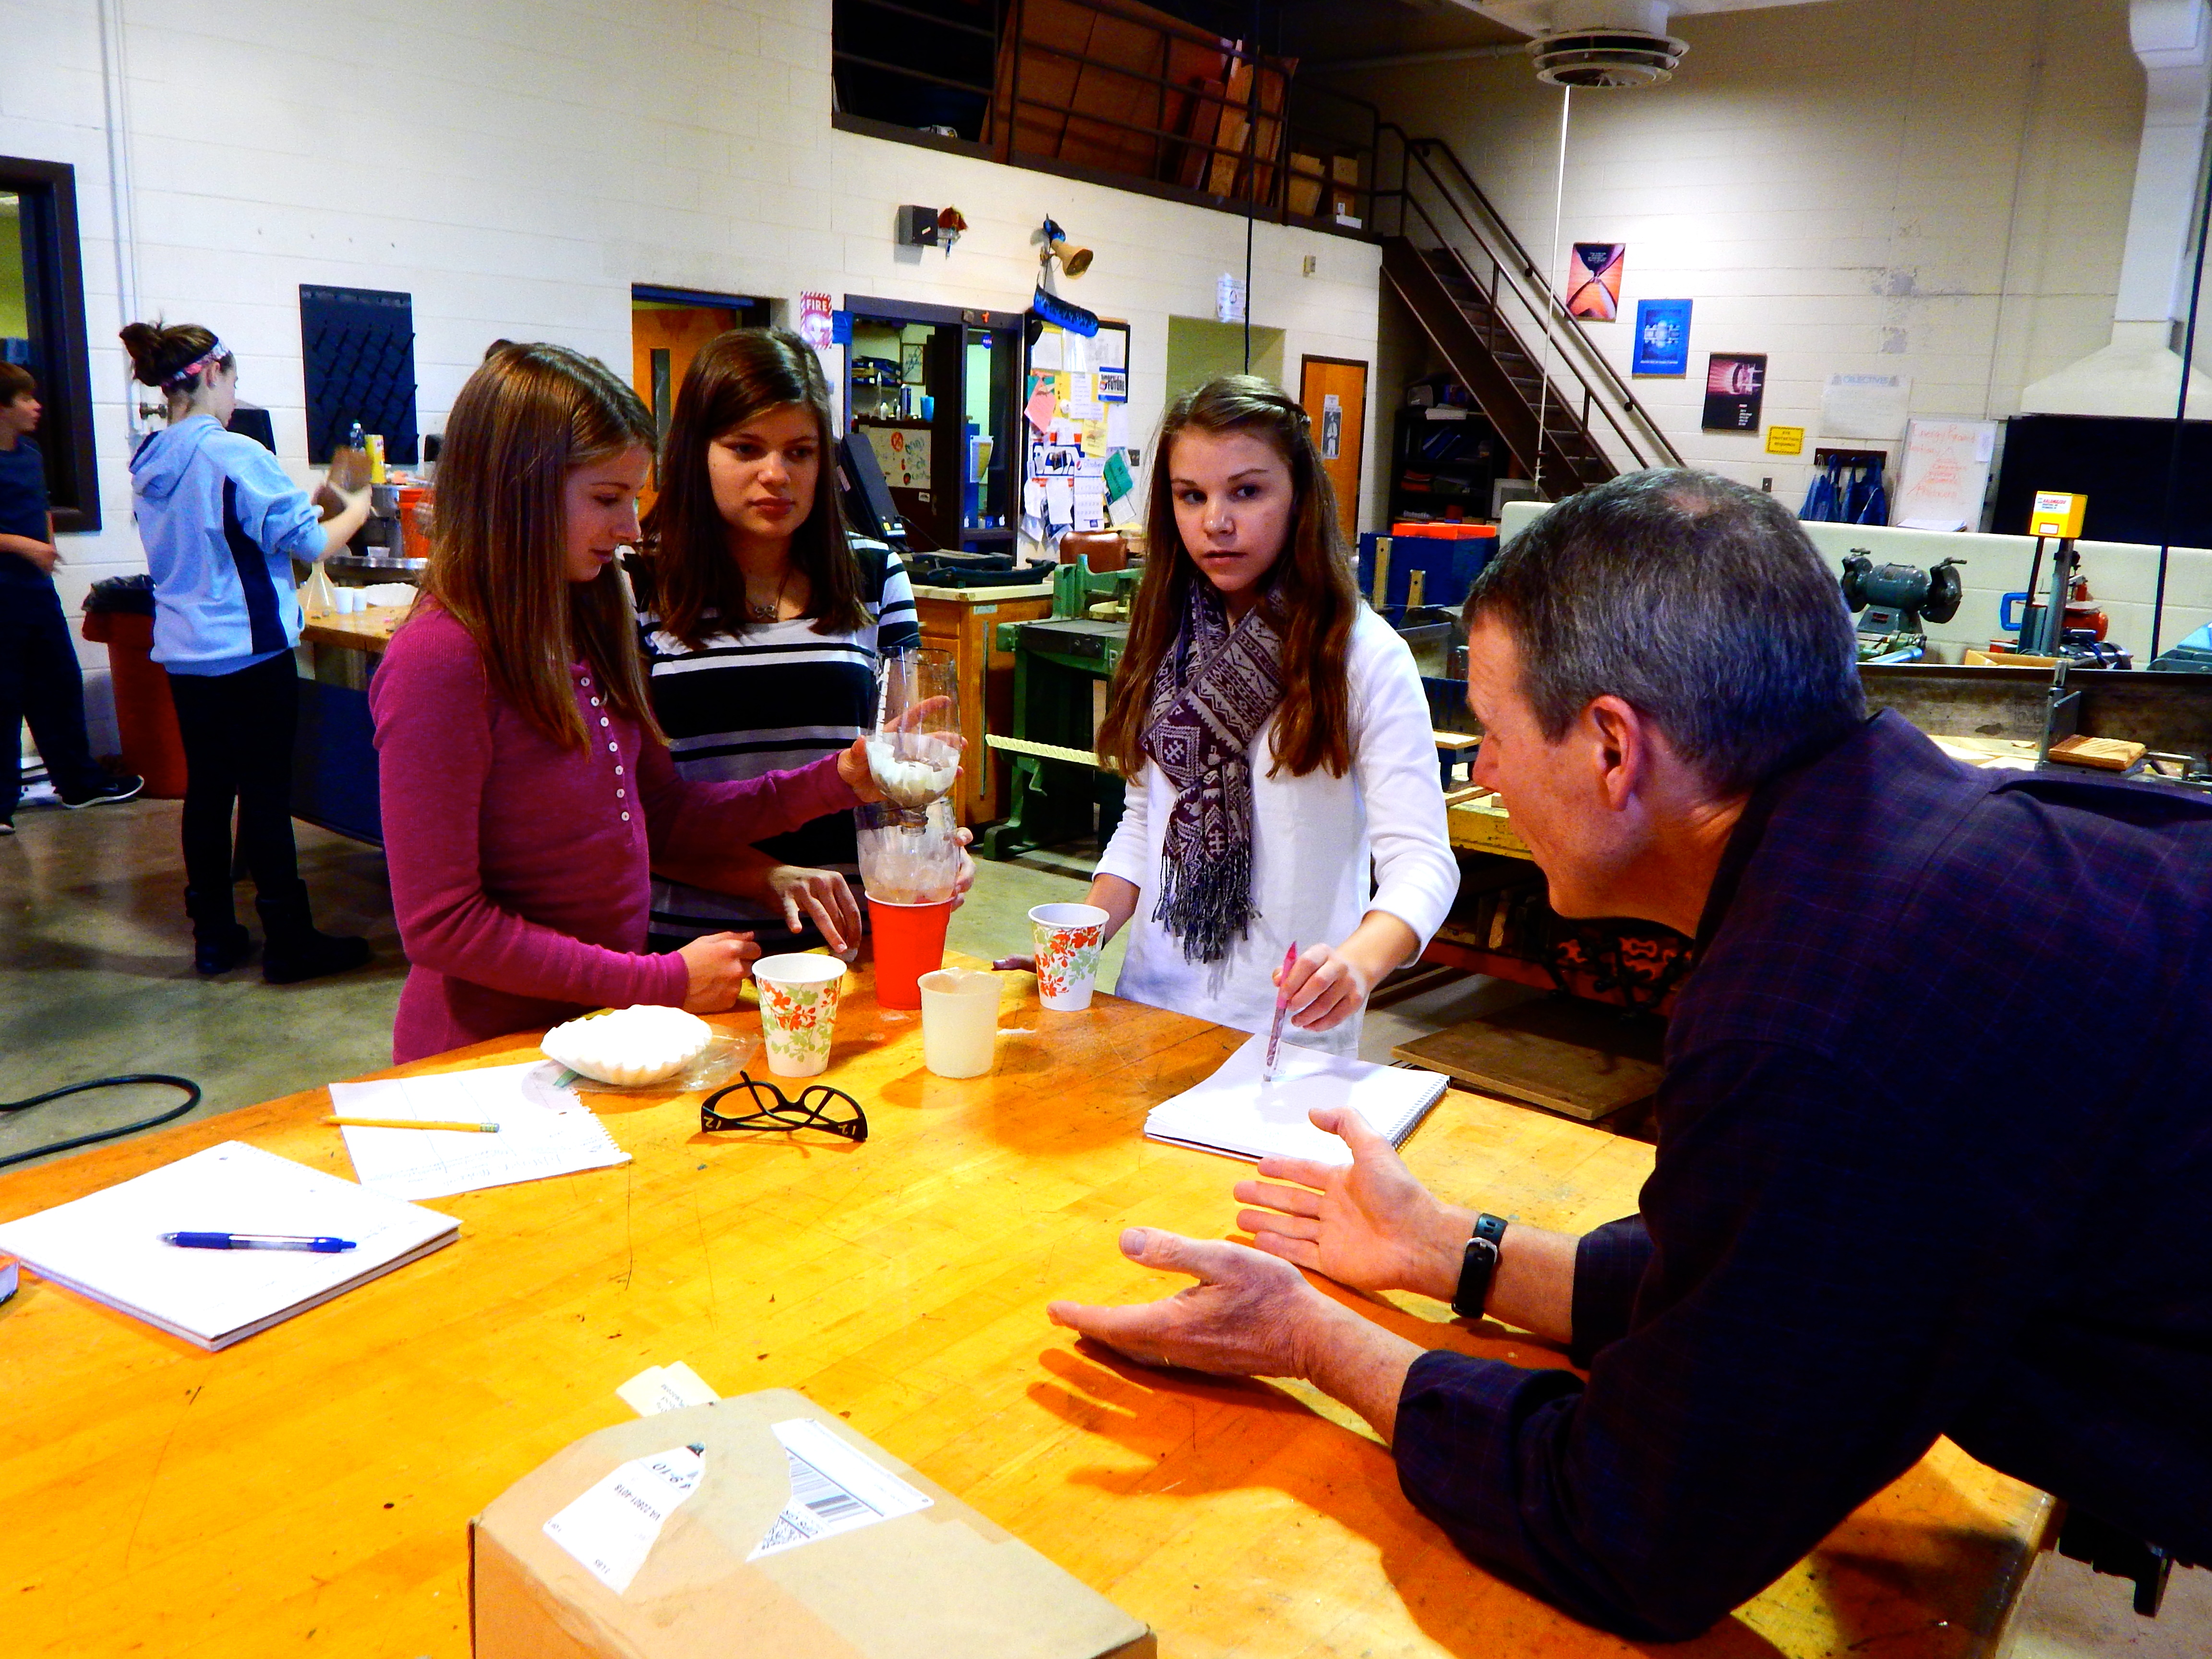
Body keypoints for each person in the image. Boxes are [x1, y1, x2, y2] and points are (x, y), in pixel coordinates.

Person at [1048, 470, 2212, 1638]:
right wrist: (1450, 1248)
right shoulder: (1909, 849)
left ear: (1613, 747)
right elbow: (1752, 1268)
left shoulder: (1819, 1012)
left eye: (1494, 737)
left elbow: (1632, 1522)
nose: (1487, 776)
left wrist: (1311, 1335)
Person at [370, 342, 892, 1066]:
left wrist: (833, 782)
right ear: (517, 492)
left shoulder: (588, 613)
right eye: (607, 500)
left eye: (633, 500)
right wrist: (659, 980)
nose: (630, 530)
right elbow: (442, 924)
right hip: (488, 1052)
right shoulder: (442, 658)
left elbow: (665, 813)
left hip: (599, 1030)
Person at [1075, 376, 1455, 1054]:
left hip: (1286, 1033)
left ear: (1299, 497)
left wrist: (1359, 962)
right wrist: (1074, 938)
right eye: (1192, 495)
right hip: (1148, 1011)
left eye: (1246, 492)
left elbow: (1423, 861)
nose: (1216, 521)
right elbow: (1144, 827)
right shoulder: (1166, 638)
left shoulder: (1362, 656)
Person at [635, 327, 934, 957]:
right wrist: (760, 879)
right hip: (696, 951)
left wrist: (935, 846)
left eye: (799, 452)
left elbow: (913, 765)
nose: (776, 475)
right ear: (698, 451)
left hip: (847, 940)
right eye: (746, 448)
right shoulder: (636, 584)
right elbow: (632, 809)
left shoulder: (874, 575)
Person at [120, 323, 375, 978]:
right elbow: (314, 546)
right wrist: (357, 506)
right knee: (266, 794)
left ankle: (214, 933)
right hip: (250, 651)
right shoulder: (233, 453)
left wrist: (308, 504)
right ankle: (289, 940)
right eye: (233, 381)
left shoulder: (149, 463)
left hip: (186, 654)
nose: (235, 396)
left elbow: (234, 530)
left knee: (210, 790)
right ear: (211, 375)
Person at [0, 363, 144, 833]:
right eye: (25, 399)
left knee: (58, 683)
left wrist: (46, 545)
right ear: (3, 407)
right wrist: (24, 546)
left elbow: (39, 506)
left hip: (35, 590)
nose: (36, 406)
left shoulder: (32, 453)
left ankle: (78, 784)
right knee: (5, 694)